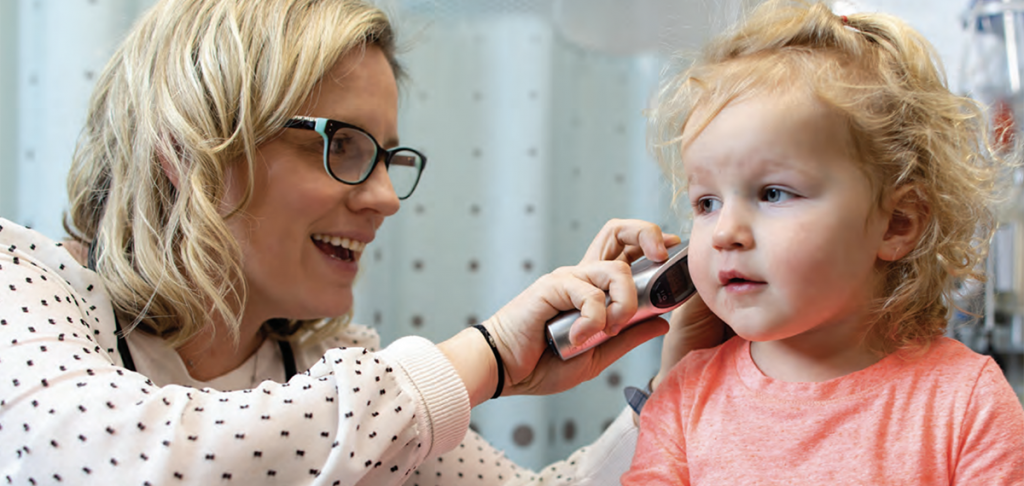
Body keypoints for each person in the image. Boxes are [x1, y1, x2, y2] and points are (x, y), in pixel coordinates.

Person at [0, 0, 719, 484]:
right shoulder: (21, 283)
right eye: (342, 145)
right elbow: (134, 456)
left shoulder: (329, 370)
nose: (381, 197)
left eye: (387, 158)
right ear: (190, 151)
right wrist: (490, 354)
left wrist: (672, 389)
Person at [623, 1, 1024, 484]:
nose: (725, 231)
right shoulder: (683, 398)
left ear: (897, 223)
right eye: (706, 203)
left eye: (772, 193)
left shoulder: (967, 403)